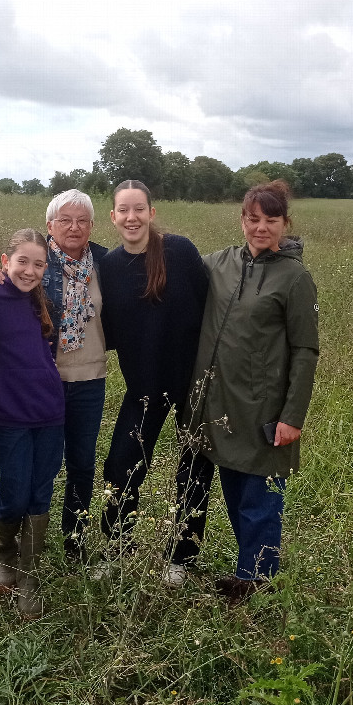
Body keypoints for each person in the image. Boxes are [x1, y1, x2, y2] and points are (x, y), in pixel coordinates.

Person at [187, 180, 319, 605]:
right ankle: (249, 574)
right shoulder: (219, 264)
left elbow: (305, 350)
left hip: (266, 409)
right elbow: (171, 271)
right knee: (236, 495)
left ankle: (258, 585)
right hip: (223, 406)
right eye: (253, 218)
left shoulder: (295, 277)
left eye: (271, 220)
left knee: (260, 501)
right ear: (241, 219)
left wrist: (292, 415)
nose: (261, 227)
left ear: (285, 223)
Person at [98, 180, 214, 586]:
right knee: (121, 466)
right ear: (112, 216)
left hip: (191, 384)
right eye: (123, 210)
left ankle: (181, 559)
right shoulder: (108, 266)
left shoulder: (180, 252)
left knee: (195, 469)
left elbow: (210, 309)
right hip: (142, 387)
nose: (132, 217)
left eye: (139, 209)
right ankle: (116, 550)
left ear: (151, 212)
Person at [0, 229, 65, 617]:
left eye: (38, 264)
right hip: (9, 411)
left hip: (49, 410)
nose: (29, 271)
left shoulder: (41, 300)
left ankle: (28, 573)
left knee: (41, 491)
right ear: (4, 261)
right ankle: (4, 554)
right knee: (15, 488)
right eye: (22, 262)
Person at [40, 189, 110, 560]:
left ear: (92, 226)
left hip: (90, 378)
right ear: (50, 225)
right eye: (65, 220)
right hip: (47, 378)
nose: (74, 227)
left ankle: (76, 540)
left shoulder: (105, 263)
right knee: (45, 463)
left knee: (82, 463)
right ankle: (29, 541)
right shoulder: (36, 263)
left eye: (82, 220)